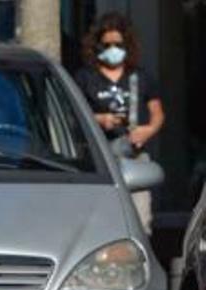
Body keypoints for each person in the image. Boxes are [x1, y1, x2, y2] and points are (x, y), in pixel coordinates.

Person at [73, 11, 164, 233]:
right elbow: (73, 116)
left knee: (141, 220)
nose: (113, 50)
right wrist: (99, 120)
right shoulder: (86, 77)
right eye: (107, 45)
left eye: (118, 44)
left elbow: (158, 114)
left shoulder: (140, 76)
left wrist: (146, 131)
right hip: (100, 156)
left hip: (134, 156)